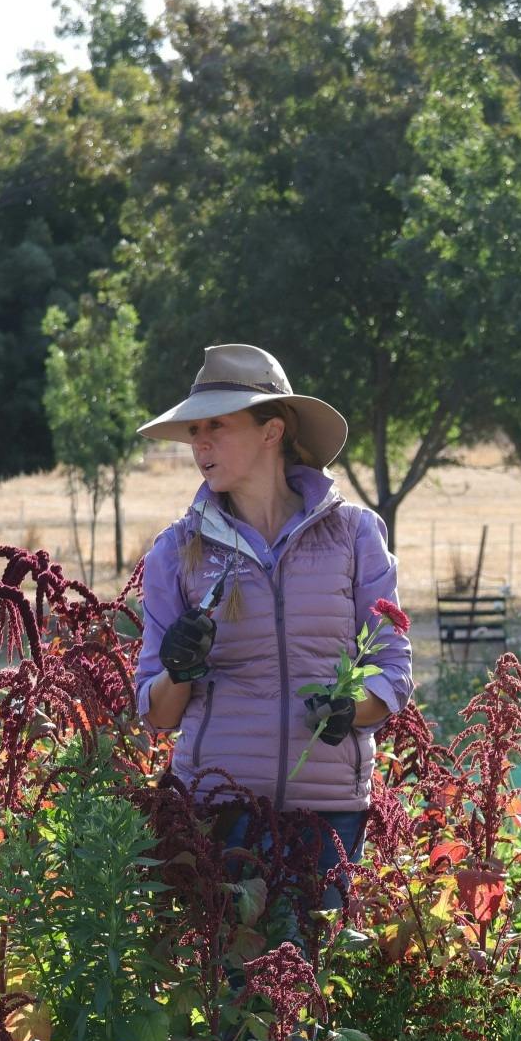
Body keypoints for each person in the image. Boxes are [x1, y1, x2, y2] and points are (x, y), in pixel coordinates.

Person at [132, 342, 412, 919]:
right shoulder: (175, 551)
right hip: (217, 811)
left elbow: (393, 668)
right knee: (228, 993)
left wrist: (350, 710)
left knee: (303, 988)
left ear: (271, 431)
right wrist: (180, 670)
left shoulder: (356, 536)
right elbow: (157, 712)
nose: (199, 444)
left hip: (329, 814)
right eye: (193, 432)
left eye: (217, 426)